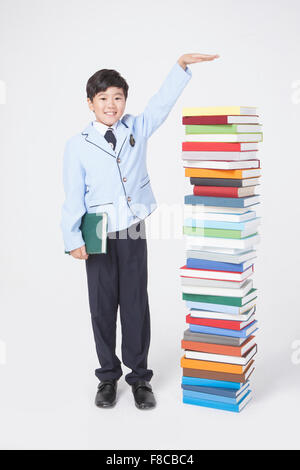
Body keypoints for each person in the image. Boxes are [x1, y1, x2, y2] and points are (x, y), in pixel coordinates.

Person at [60, 53, 219, 410]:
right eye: (103, 99)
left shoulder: (136, 127)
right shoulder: (77, 144)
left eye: (117, 97)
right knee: (102, 307)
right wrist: (73, 238)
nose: (111, 105)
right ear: (90, 103)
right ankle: (107, 377)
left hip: (131, 225)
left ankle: (139, 378)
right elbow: (73, 194)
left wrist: (179, 68)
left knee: (135, 304)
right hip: (97, 229)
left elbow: (160, 105)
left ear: (125, 101)